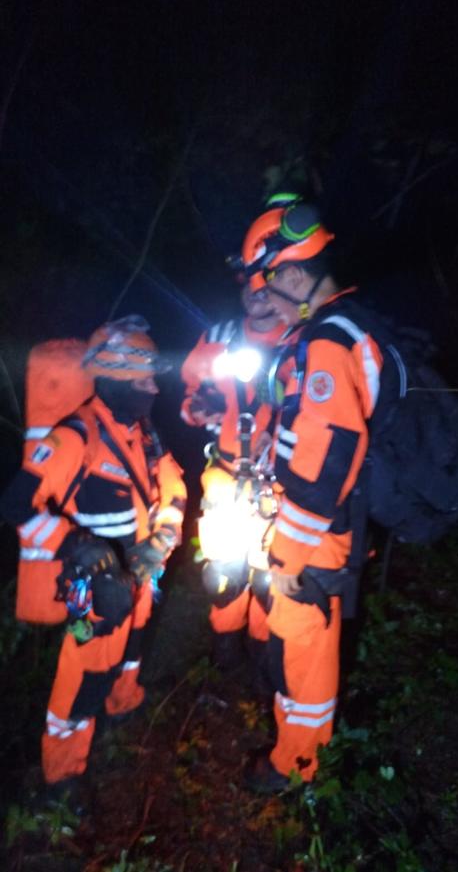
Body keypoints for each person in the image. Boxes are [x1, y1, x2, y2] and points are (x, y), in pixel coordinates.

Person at [0, 315, 186, 803]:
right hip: (95, 587)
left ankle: (124, 706)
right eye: (144, 379)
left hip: (140, 575)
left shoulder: (143, 432)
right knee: (84, 676)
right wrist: (75, 546)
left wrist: (163, 537)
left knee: (133, 649)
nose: (153, 388)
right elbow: (16, 505)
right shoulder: (75, 436)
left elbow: (174, 486)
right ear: (116, 379)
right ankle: (62, 776)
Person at [239, 201, 384, 792]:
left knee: (302, 656)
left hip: (316, 542)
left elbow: (322, 467)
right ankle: (300, 753)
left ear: (294, 275)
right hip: (322, 533)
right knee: (298, 652)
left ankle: (297, 767)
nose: (266, 305)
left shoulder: (325, 345)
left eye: (268, 290)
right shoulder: (340, 329)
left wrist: (287, 558)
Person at [181, 278, 285, 676]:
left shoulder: (300, 337)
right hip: (225, 476)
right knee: (224, 572)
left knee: (268, 576)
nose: (258, 295)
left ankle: (263, 656)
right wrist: (197, 408)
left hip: (276, 484)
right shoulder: (215, 338)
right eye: (251, 286)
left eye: (267, 286)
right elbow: (187, 403)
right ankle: (224, 654)